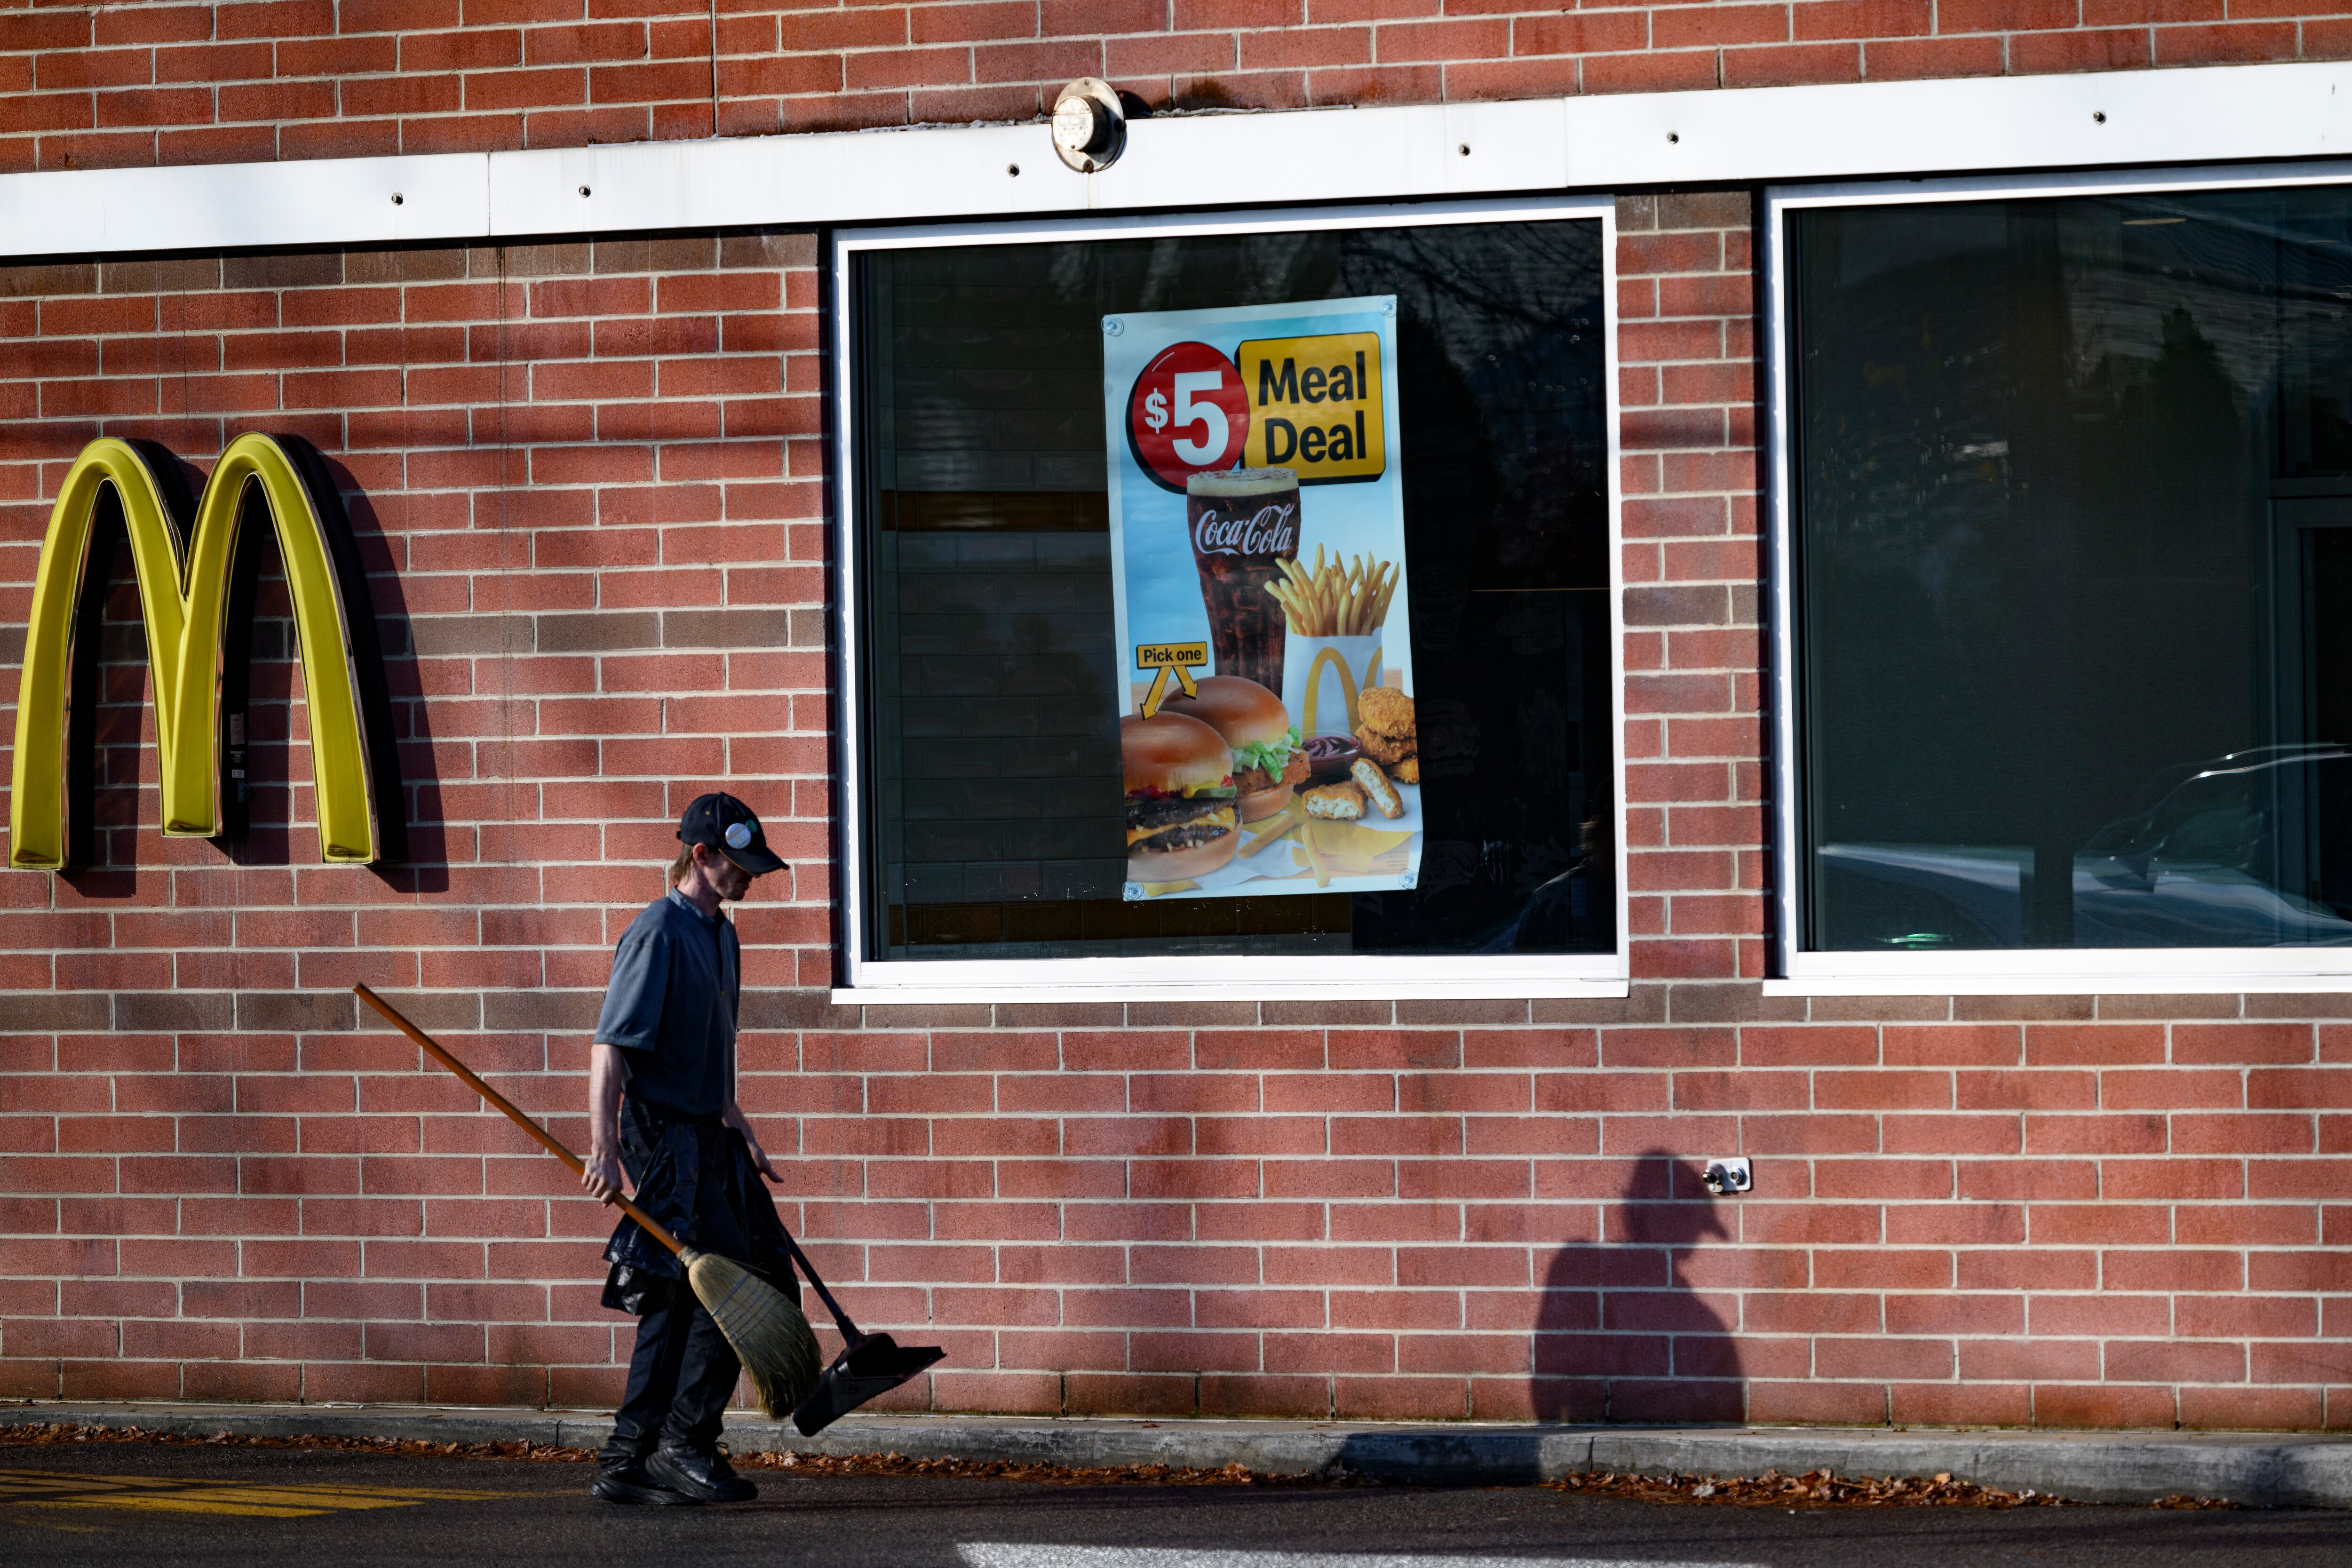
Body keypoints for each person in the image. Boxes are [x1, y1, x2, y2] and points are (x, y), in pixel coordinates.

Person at [581, 792, 792, 1506]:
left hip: (706, 1126)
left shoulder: (722, 934)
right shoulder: (657, 933)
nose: (750, 878)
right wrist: (605, 1148)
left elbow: (714, 1047)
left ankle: (626, 1458)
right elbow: (610, 1047)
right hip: (658, 1129)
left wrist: (740, 1123)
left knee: (677, 1297)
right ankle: (684, 1444)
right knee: (732, 1280)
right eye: (739, 865)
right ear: (701, 856)